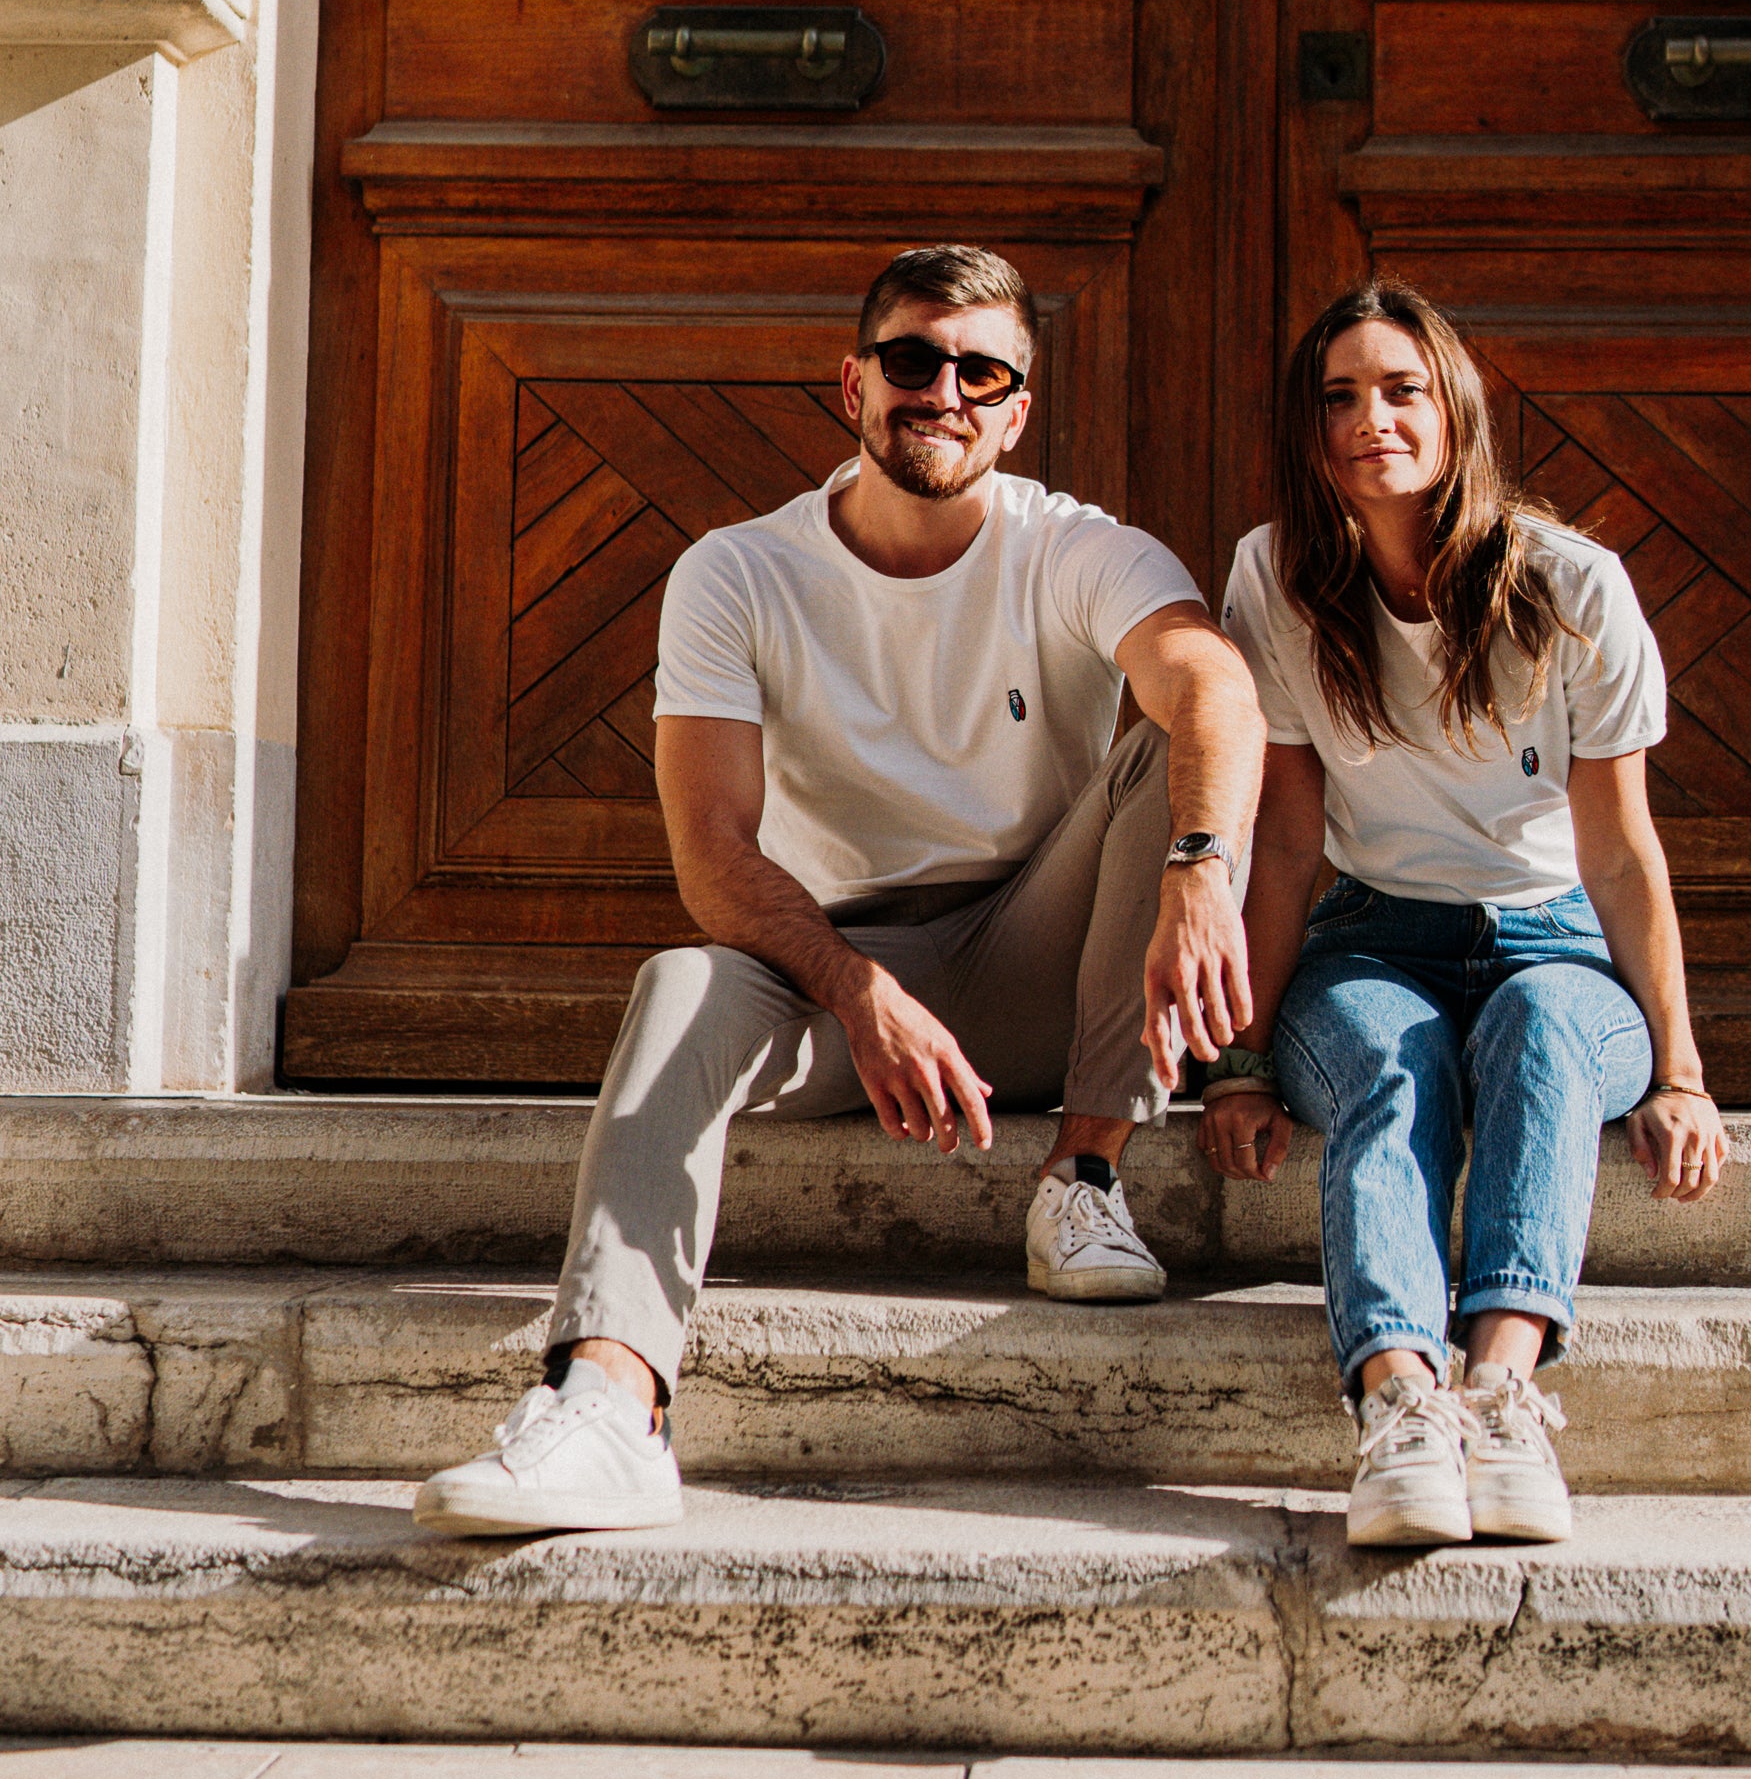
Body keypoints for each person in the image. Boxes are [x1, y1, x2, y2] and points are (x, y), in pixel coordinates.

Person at [415, 242, 1264, 1538]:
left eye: (984, 371)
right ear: (852, 386)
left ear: (1019, 407)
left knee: (1175, 731)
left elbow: (1214, 687)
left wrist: (1203, 877)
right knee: (682, 982)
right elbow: (712, 855)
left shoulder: (1072, 547)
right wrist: (860, 990)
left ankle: (1084, 1180)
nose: (947, 392)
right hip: (833, 974)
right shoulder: (740, 573)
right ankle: (609, 1402)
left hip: (1042, 957)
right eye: (914, 361)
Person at [1204, 278, 1727, 1548]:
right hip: (1373, 939)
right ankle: (1398, 1401)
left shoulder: (1570, 588)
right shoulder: (1275, 579)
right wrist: (1244, 1057)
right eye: (1338, 398)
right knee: (1394, 1056)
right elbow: (1281, 840)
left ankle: (1499, 1391)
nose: (1369, 418)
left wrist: (1681, 1069)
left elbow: (1619, 850)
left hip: (1554, 940)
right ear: (1306, 427)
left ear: (1456, 411)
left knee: (1544, 1028)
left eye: (1401, 389)